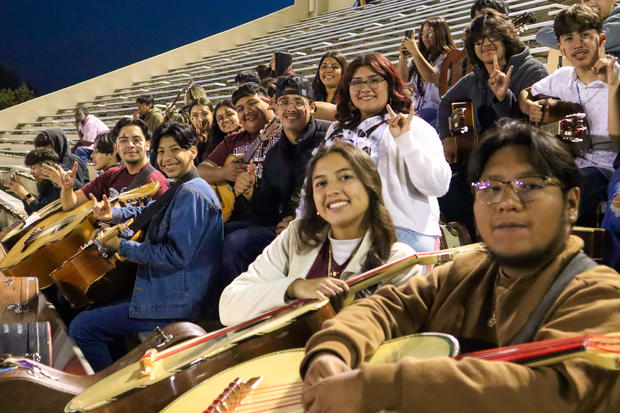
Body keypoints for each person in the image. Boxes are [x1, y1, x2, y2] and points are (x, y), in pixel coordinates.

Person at [300, 120, 620, 413]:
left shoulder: (600, 295)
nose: (507, 201)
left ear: (573, 203)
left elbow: (551, 392)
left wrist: (385, 387)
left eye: (530, 185)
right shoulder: (467, 269)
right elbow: (386, 307)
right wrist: (332, 351)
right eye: (490, 188)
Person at [69, 122, 224, 372]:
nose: (166, 158)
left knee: (82, 327)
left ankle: (109, 391)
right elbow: (150, 210)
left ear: (193, 152)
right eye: (161, 152)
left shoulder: (192, 193)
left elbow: (174, 255)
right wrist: (115, 213)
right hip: (168, 289)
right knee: (94, 305)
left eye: (175, 150)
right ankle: (119, 372)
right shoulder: (182, 186)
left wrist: (121, 245)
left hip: (178, 301)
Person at [219, 142, 420, 326]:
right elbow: (229, 307)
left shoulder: (398, 259)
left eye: (345, 177)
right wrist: (294, 288)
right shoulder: (296, 237)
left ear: (371, 187)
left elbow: (393, 336)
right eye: (321, 183)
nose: (332, 190)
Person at [320, 52, 451, 253]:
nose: (365, 88)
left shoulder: (413, 125)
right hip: (346, 234)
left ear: (389, 84)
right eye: (356, 82)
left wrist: (405, 140)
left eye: (374, 80)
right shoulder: (336, 130)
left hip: (403, 232)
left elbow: (438, 185)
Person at [437, 9, 548, 238]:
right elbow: (445, 102)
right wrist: (447, 137)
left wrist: (502, 98)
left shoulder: (532, 70)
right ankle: (464, 241)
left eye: (492, 37)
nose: (485, 44)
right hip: (481, 157)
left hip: (520, 156)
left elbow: (531, 127)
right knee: (447, 182)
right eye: (478, 41)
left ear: (506, 39)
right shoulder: (474, 78)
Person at [220, 75, 331, 289]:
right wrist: (252, 191)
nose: (291, 108)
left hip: (322, 223)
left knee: (236, 242)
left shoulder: (330, 135)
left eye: (298, 102)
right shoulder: (274, 155)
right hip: (282, 227)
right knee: (220, 231)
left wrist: (300, 221)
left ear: (313, 107)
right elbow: (267, 215)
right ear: (276, 109)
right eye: (284, 102)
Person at [521, 4, 620, 227]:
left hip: (606, 167)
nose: (577, 43)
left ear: (601, 39)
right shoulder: (561, 76)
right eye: (568, 38)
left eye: (585, 35)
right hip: (569, 163)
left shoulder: (617, 77)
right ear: (561, 49)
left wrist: (614, 87)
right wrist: (528, 105)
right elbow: (525, 93)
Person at [199, 83, 281, 221]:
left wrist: (283, 108)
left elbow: (326, 115)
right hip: (241, 214)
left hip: (276, 211)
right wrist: (224, 173)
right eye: (240, 109)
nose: (247, 111)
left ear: (268, 102)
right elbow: (200, 171)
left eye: (252, 103)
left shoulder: (287, 127)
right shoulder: (232, 140)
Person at [50, 118, 169, 212]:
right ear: (116, 147)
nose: (130, 145)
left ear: (147, 145)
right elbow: (70, 204)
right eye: (123, 140)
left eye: (136, 140)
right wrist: (67, 188)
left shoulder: (157, 183)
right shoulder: (111, 175)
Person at [398, 16, 456, 128]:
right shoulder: (418, 58)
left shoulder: (450, 56)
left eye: (429, 32)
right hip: (419, 110)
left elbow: (432, 76)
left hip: (440, 110)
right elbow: (401, 79)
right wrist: (403, 57)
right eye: (423, 33)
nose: (425, 36)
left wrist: (414, 50)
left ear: (441, 33)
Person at [536, 0, 620, 58]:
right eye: (586, 0)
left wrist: (568, 40)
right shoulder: (584, 19)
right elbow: (543, 34)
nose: (592, 3)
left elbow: (597, 41)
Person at [3, 147, 60, 214]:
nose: (31, 172)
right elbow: (31, 212)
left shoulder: (60, 184)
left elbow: (41, 211)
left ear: (46, 167)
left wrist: (25, 193)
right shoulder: (44, 183)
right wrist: (21, 195)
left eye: (33, 168)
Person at [188, 97, 215, 164]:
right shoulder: (188, 140)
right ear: (190, 119)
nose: (200, 119)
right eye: (195, 115)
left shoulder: (222, 135)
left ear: (212, 115)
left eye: (204, 114)